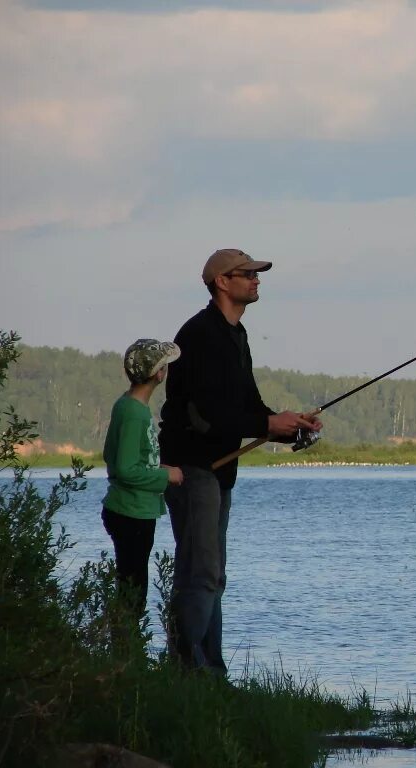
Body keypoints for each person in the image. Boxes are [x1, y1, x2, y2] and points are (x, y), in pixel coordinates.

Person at [159, 248, 322, 674]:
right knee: (201, 571)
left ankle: (209, 670)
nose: (255, 280)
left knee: (214, 574)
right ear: (221, 282)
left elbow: (247, 403)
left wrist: (290, 426)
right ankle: (188, 671)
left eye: (256, 274)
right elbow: (205, 414)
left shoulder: (237, 334)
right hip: (193, 468)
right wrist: (268, 422)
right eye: (246, 273)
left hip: (220, 471)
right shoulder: (198, 335)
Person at [102, 338, 184, 620]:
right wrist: (166, 475)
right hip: (131, 513)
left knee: (131, 588)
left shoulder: (126, 406)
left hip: (133, 511)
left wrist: (156, 466)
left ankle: (124, 653)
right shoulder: (134, 412)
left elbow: (122, 459)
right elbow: (125, 469)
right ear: (158, 374)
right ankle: (125, 655)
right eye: (164, 366)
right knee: (132, 595)